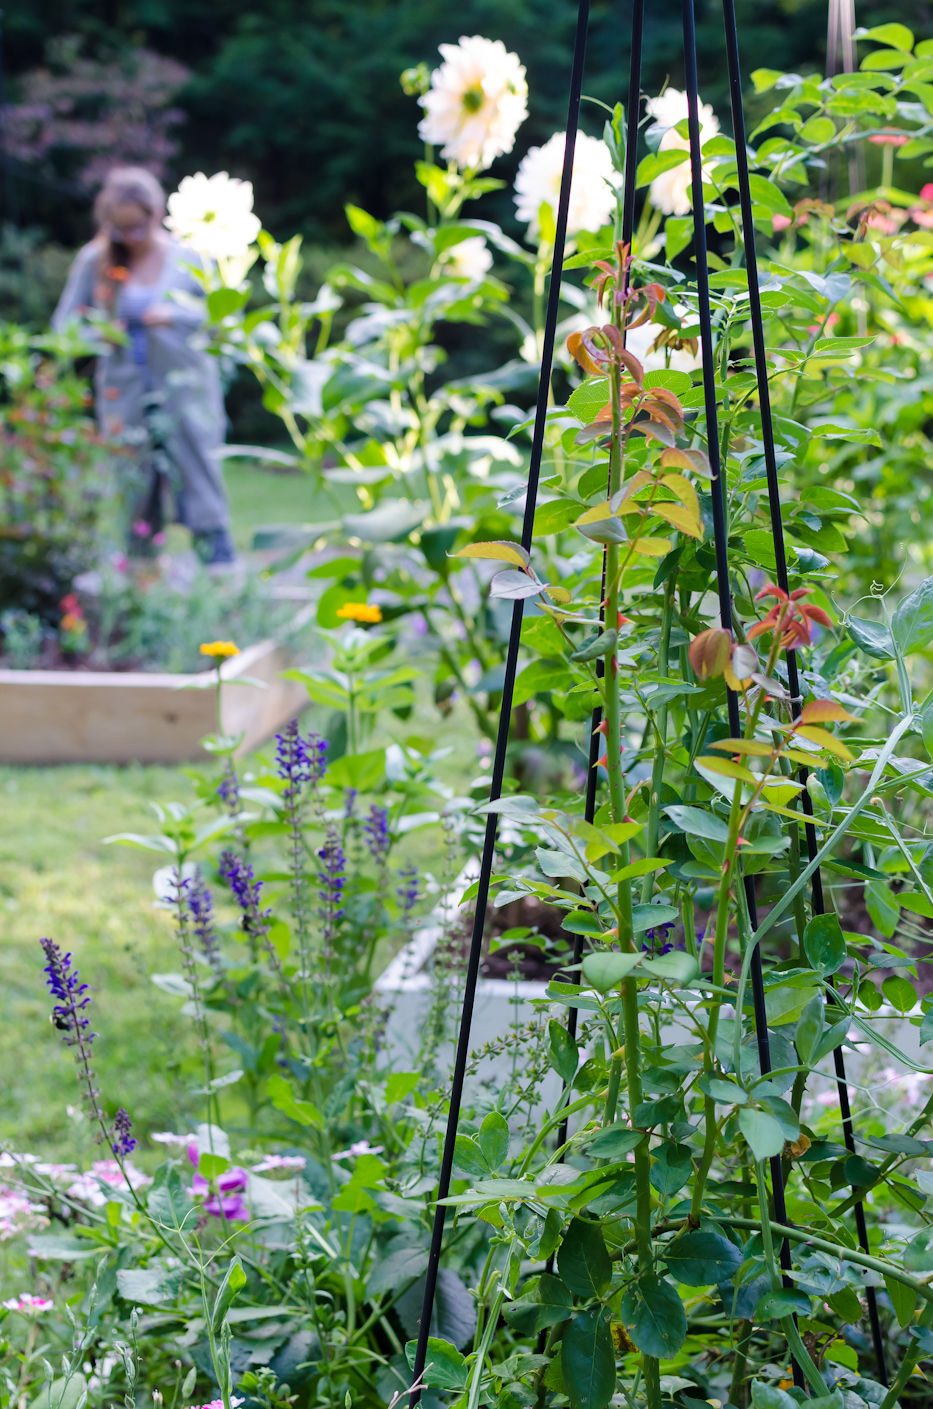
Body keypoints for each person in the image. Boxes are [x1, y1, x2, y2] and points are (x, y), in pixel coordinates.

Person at [52, 166, 237, 567]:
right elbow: (64, 327)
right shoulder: (94, 261)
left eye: (138, 227)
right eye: (121, 229)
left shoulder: (188, 257)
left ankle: (220, 570)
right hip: (124, 391)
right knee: (133, 481)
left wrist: (174, 315)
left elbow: (221, 321)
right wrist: (99, 333)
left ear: (156, 215)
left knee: (199, 471)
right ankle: (140, 575)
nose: (131, 238)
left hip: (185, 387)